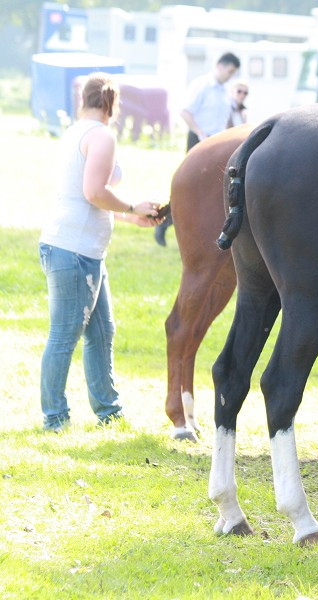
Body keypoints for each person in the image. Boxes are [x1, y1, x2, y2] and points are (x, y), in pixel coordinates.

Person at [38, 72, 162, 432]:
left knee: (102, 331)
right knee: (65, 334)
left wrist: (128, 217)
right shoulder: (101, 136)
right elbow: (93, 192)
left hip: (82, 248)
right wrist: (135, 206)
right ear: (113, 102)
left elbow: (85, 197)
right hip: (73, 250)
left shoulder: (74, 132)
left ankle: (109, 411)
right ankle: (55, 417)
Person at [156, 52, 240, 246]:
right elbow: (185, 111)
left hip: (218, 143)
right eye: (230, 71)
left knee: (216, 188)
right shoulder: (202, 85)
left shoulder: (224, 91)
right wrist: (200, 133)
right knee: (190, 188)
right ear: (219, 66)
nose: (230, 76)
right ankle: (164, 222)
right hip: (200, 140)